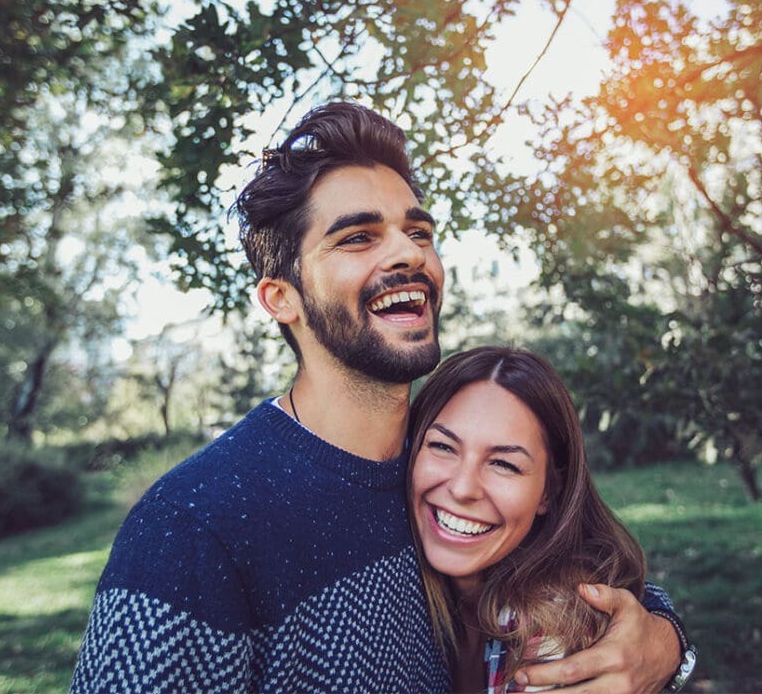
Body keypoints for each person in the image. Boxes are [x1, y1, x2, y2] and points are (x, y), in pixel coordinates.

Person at [70, 102, 689, 692]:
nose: (408, 252)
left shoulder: (443, 467)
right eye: (357, 237)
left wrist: (665, 641)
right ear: (280, 297)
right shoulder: (193, 526)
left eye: (417, 231)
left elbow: (578, 560)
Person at [408, 347, 696, 693]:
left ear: (548, 491)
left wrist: (668, 643)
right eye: (443, 446)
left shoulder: (552, 636)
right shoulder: (395, 573)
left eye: (504, 464)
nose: (463, 488)